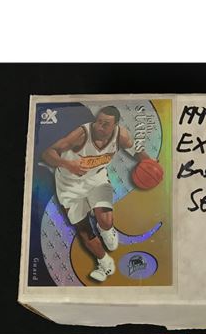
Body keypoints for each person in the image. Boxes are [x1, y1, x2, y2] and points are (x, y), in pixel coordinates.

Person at [41, 106, 152, 282]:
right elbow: (48, 153)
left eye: (105, 124)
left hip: (96, 179)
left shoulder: (121, 136)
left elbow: (137, 152)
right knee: (84, 230)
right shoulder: (81, 134)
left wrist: (152, 167)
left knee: (105, 220)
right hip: (69, 186)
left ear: (115, 125)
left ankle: (106, 229)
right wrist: (68, 164)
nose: (99, 126)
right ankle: (104, 262)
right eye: (98, 121)